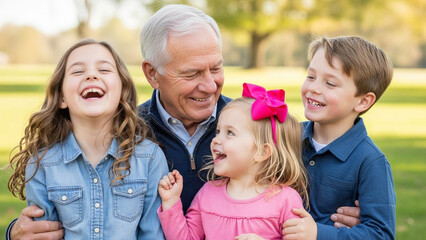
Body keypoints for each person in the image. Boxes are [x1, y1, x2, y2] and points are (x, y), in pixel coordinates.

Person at [6, 5, 362, 239]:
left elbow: (310, 207)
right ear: (152, 73)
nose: (209, 85)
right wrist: (14, 232)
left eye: (216, 68)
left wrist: (340, 228)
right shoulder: (128, 135)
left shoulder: (256, 127)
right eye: (192, 72)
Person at [7, 39, 168, 239]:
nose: (92, 75)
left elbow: (153, 234)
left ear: (122, 91)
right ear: (62, 98)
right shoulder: (42, 164)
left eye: (104, 70)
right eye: (77, 72)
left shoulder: (150, 158)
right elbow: (41, 234)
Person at [157, 83, 309, 240]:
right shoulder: (208, 194)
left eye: (230, 133)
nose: (216, 140)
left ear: (262, 152)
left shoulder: (285, 200)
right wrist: (171, 202)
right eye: (218, 131)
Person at [282, 36, 396, 239]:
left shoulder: (370, 161)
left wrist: (319, 233)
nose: (314, 88)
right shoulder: (286, 136)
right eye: (310, 76)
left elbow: (381, 234)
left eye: (330, 83)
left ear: (362, 101)